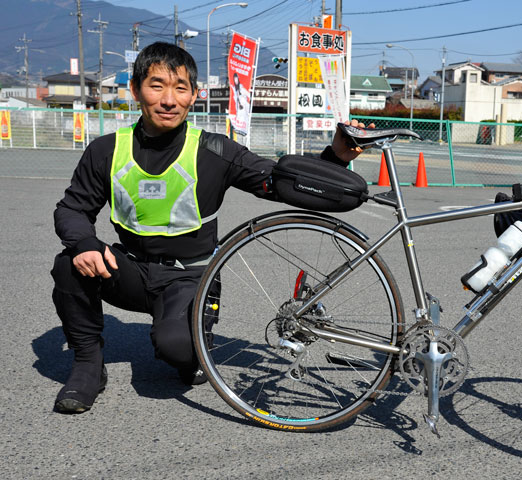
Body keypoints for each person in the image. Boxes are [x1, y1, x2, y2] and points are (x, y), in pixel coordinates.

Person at [51, 42, 371, 414]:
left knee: (178, 352)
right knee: (69, 262)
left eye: (180, 88)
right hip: (133, 270)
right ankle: (88, 365)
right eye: (157, 86)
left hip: (192, 278)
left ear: (194, 96)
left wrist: (334, 159)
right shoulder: (106, 150)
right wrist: (86, 242)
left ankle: (193, 342)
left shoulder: (216, 150)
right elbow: (72, 208)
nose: (168, 99)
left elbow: (280, 182)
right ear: (136, 89)